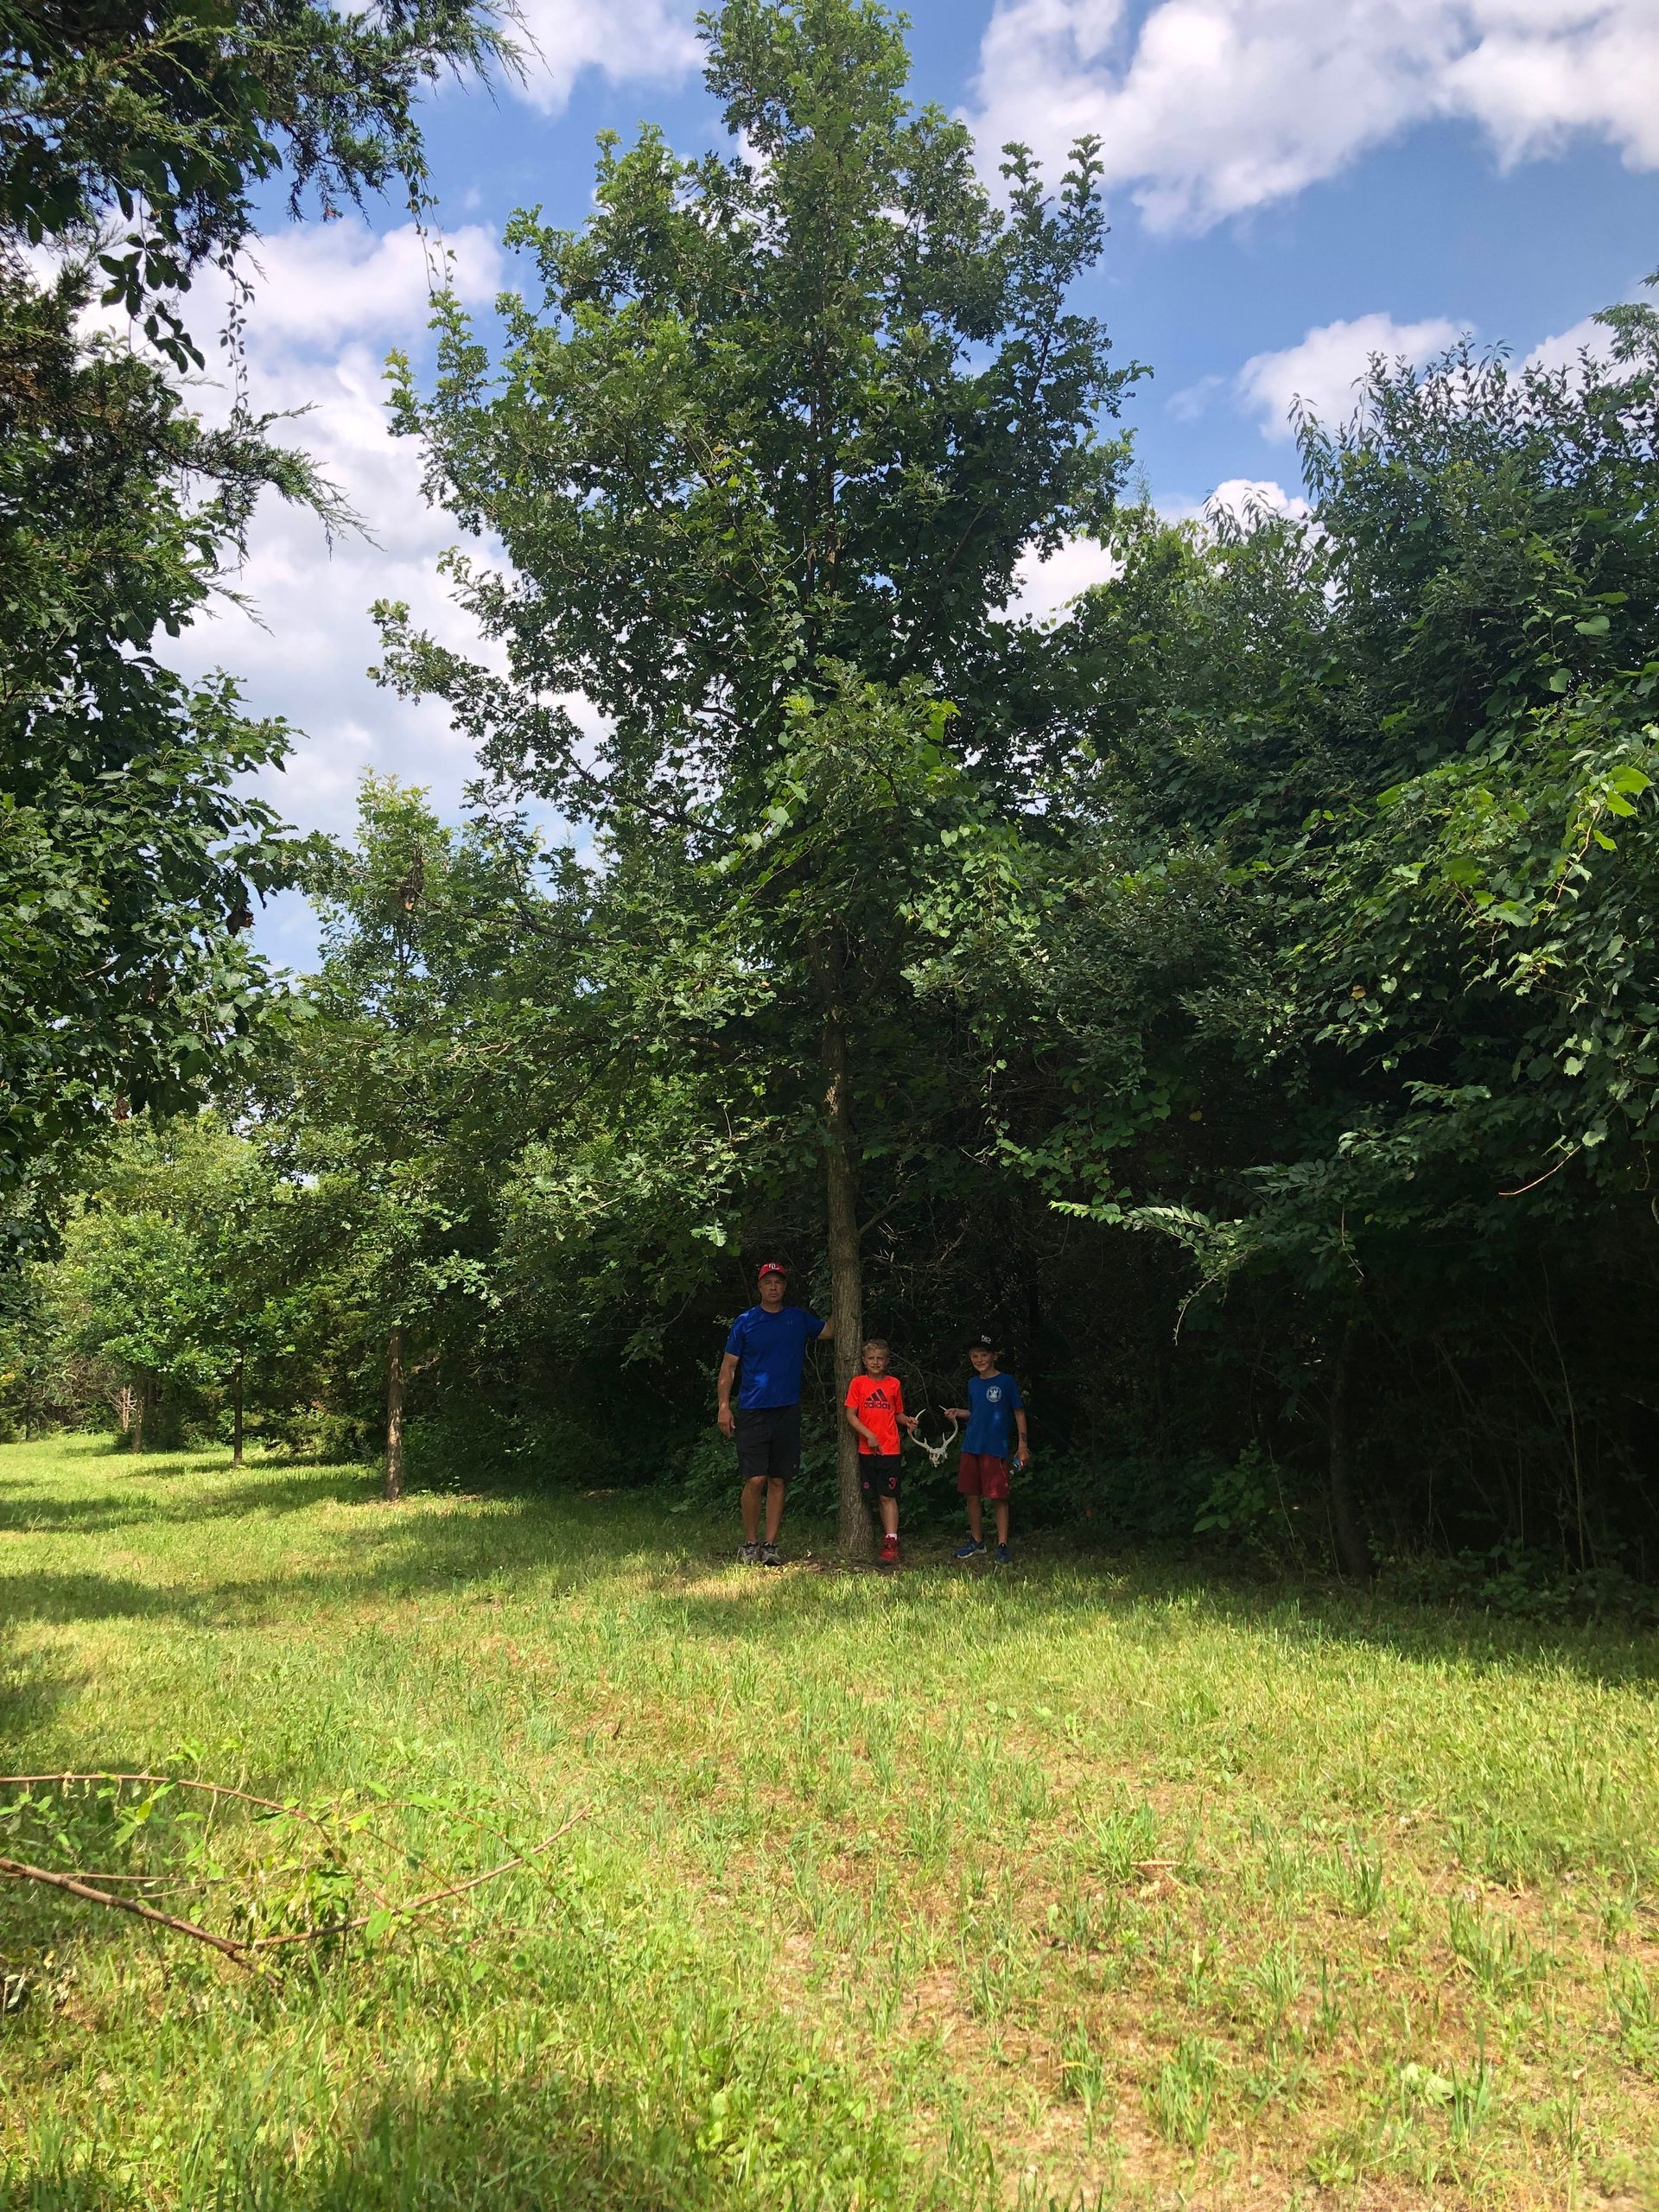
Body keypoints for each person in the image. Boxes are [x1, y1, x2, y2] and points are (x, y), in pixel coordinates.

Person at [717, 1262, 833, 1567]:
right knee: (756, 1479)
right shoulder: (745, 1322)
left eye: (778, 1282)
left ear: (784, 1287)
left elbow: (831, 1330)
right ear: (759, 1287)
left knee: (778, 1479)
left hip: (787, 1410)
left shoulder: (797, 1319)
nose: (773, 1287)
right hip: (753, 1410)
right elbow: (729, 1366)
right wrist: (724, 1407)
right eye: (768, 1282)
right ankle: (750, 1543)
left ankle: (770, 1545)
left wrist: (844, 1296)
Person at [945, 1333, 1029, 1566]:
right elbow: (976, 1412)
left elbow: (1019, 1413)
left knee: (998, 1497)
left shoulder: (1006, 1382)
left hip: (995, 1448)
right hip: (971, 1445)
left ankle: (1002, 1544)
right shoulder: (973, 1383)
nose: (979, 1360)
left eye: (983, 1355)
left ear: (994, 1356)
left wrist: (1022, 1446)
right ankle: (977, 1541)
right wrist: (959, 1412)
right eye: (975, 1356)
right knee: (972, 1495)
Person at [844, 1337, 916, 1567]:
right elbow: (850, 1415)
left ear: (887, 1361)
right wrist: (869, 1435)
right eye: (871, 1358)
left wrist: (908, 1421)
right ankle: (886, 1537)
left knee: (888, 1496)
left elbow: (897, 1413)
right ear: (864, 1360)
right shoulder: (858, 1383)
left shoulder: (894, 1384)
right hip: (867, 1449)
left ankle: (891, 1542)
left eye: (880, 1359)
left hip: (890, 1448)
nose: (876, 1362)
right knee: (873, 1496)